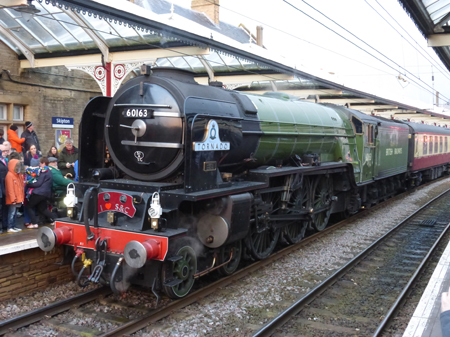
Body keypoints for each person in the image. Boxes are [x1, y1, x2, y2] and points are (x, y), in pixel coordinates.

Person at [24, 157, 57, 227]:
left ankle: (34, 223)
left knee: (30, 206)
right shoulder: (49, 171)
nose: (39, 165)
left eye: (40, 163)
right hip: (46, 193)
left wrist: (28, 183)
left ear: (44, 163)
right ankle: (56, 219)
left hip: (39, 193)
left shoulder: (44, 171)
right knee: (43, 209)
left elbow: (38, 183)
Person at [5, 158, 24, 232]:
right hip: (13, 199)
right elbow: (10, 189)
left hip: (17, 198)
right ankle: (10, 227)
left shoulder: (18, 175)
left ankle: (13, 226)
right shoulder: (9, 175)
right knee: (12, 213)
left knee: (15, 213)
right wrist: (13, 199)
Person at [0, 143, 10, 233]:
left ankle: (5, 226)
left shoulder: (6, 161)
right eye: (3, 151)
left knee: (5, 208)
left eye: (6, 151)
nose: (5, 152)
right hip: (1, 188)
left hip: (5, 188)